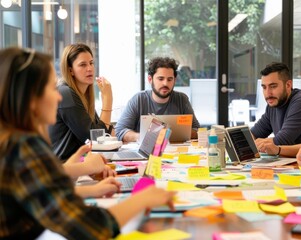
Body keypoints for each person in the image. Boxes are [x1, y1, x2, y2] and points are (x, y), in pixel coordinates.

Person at [0, 47, 175, 239]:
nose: (58, 96)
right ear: (31, 98)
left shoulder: (11, 143)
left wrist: (88, 187)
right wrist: (143, 199)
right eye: (51, 88)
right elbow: (89, 228)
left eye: (91, 63)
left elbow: (43, 196)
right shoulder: (24, 147)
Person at [48, 43, 114, 161]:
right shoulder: (65, 93)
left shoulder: (81, 95)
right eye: (83, 65)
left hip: (78, 163)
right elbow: (97, 138)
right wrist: (108, 100)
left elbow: (105, 133)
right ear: (70, 70)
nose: (89, 68)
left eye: (91, 63)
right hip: (64, 168)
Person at [115, 57, 200, 143]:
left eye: (170, 79)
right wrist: (143, 136)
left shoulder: (182, 99)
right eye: (160, 79)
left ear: (175, 80)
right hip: (146, 152)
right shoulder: (139, 99)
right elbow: (120, 131)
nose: (165, 83)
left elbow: (197, 130)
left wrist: (173, 134)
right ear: (150, 79)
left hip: (176, 153)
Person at [251, 62, 301, 149]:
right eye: (264, 87)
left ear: (288, 85)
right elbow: (254, 134)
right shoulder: (273, 105)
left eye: (273, 86)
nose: (267, 93)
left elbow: (282, 141)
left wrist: (257, 144)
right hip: (298, 159)